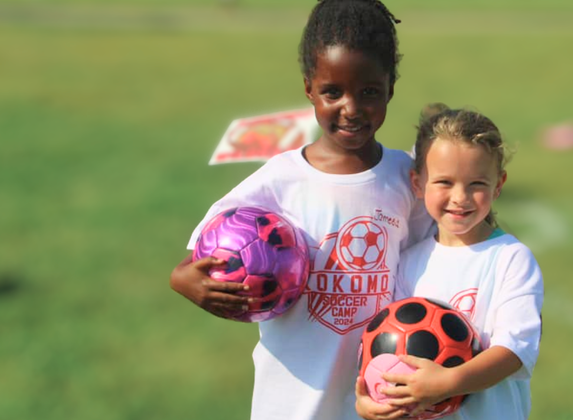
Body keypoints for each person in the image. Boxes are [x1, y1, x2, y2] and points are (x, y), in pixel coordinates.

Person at [169, 1, 433, 419]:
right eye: (333, 92)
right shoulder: (281, 178)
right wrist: (183, 279)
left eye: (369, 92)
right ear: (309, 88)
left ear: (390, 88)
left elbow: (434, 259)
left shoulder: (406, 177)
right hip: (289, 402)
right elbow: (211, 252)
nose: (351, 107)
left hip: (376, 400)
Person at [355, 104, 544, 420]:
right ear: (418, 183)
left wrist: (447, 383)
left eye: (476, 184)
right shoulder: (410, 261)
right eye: (444, 182)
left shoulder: (511, 259)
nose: (460, 197)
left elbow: (515, 351)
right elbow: (386, 347)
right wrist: (370, 402)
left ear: (498, 184)